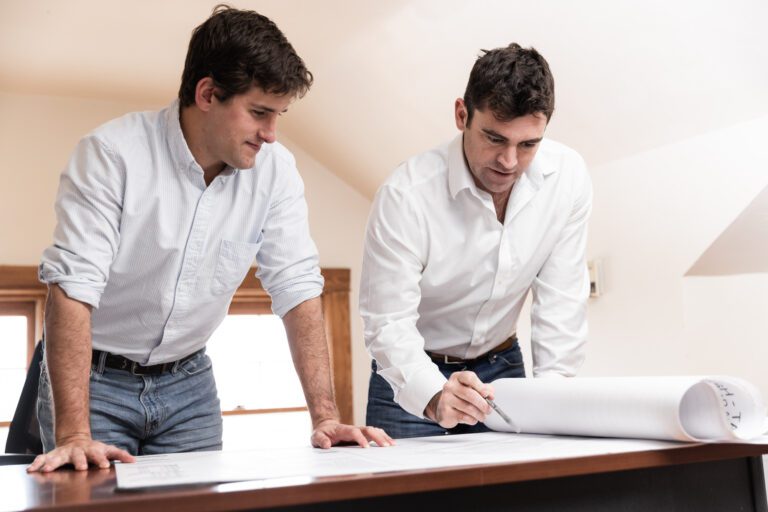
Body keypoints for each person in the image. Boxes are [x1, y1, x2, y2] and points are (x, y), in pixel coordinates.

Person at [29, 5, 393, 473]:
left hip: (189, 385)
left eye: (279, 115)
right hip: (95, 383)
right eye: (259, 113)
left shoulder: (276, 171)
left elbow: (297, 286)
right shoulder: (111, 155)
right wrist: (75, 435)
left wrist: (326, 417)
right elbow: (73, 288)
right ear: (207, 93)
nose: (271, 134)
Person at [361, 43, 592, 438]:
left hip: (504, 368)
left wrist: (553, 400)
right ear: (461, 115)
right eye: (494, 138)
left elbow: (561, 301)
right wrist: (432, 394)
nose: (508, 162)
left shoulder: (567, 178)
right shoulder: (406, 194)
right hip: (412, 373)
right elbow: (387, 321)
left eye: (528, 145)